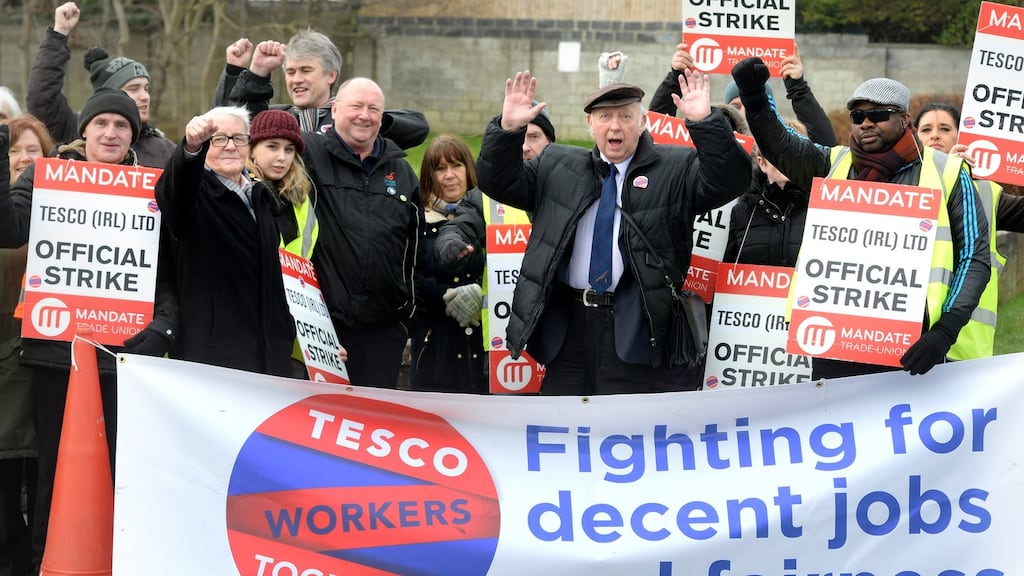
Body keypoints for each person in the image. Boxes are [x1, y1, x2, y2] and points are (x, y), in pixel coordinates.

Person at [475, 70, 751, 395]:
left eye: (625, 116)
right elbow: (497, 182)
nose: (615, 125)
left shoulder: (676, 168)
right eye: (605, 116)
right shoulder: (557, 164)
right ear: (590, 124)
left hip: (635, 327)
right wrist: (508, 131)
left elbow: (730, 180)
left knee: (623, 432)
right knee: (564, 426)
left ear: (643, 121)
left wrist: (705, 123)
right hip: (568, 329)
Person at [0, 87, 178, 575]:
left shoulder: (151, 189)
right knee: (54, 476)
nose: (111, 132)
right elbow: (9, 231)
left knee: (120, 472)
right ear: (84, 130)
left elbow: (166, 272)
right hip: (58, 355)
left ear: (133, 136)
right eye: (101, 123)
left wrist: (162, 326)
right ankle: (47, 563)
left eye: (121, 126)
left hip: (124, 358)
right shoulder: (45, 176)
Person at [731, 58, 991, 378]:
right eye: (858, 115)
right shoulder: (834, 163)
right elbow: (781, 145)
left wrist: (946, 329)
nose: (866, 123)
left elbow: (973, 257)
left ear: (904, 119)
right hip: (835, 341)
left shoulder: (947, 172)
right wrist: (755, 96)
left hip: (914, 346)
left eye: (878, 114)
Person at [155, 106, 295, 378]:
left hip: (269, 355)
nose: (230, 146)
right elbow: (174, 190)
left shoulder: (260, 197)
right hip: (214, 356)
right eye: (218, 139)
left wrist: (284, 329)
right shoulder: (195, 196)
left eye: (238, 138)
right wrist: (190, 149)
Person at [214, 32, 429, 150]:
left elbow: (418, 128)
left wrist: (367, 121)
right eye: (290, 72)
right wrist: (248, 72)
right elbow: (225, 124)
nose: (296, 80)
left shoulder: (353, 122)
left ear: (331, 75)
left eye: (306, 70)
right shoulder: (277, 119)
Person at [26, 2, 175, 169]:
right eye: (133, 89)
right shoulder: (73, 129)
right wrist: (58, 34)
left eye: (146, 88)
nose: (145, 96)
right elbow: (42, 98)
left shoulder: (165, 150)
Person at [0, 116, 52, 576]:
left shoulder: (62, 210)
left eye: (33, 151)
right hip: (5, 367)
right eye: (14, 150)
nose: (22, 159)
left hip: (43, 366)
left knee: (42, 480)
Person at [410, 135, 487, 394]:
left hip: (483, 350)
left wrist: (479, 293)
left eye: (456, 166)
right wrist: (446, 295)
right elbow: (410, 278)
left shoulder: (490, 215)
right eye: (440, 168)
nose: (449, 175)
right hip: (435, 349)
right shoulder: (416, 219)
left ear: (469, 168)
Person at [650, 41, 836, 147]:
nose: (744, 114)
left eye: (753, 107)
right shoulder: (710, 148)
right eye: (736, 107)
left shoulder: (781, 153)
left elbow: (826, 149)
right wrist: (676, 76)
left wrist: (798, 88)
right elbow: (656, 133)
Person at [724, 119, 810, 267]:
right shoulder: (742, 212)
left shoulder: (820, 212)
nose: (787, 161)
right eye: (778, 153)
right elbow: (727, 273)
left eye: (794, 153)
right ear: (762, 163)